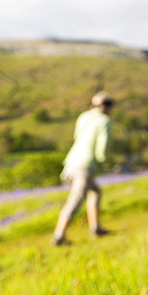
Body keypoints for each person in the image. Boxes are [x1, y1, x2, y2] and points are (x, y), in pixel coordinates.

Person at [52, 91, 113, 245]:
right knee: (75, 200)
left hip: (71, 161)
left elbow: (77, 137)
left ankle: (96, 228)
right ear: (106, 106)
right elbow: (103, 147)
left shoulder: (83, 117)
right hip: (84, 166)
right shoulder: (105, 121)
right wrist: (103, 161)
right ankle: (59, 235)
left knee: (95, 192)